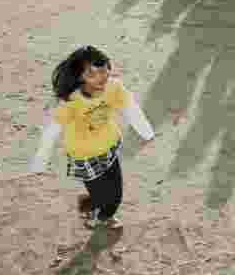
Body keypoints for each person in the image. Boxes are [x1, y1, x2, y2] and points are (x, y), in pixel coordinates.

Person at [29, 46, 156, 229]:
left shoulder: (114, 88)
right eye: (92, 74)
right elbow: (52, 131)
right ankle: (96, 211)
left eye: (104, 70)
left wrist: (146, 132)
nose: (102, 77)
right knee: (102, 195)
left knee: (116, 194)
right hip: (85, 156)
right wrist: (40, 160)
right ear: (79, 76)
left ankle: (102, 211)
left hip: (109, 148)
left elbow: (130, 107)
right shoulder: (71, 102)